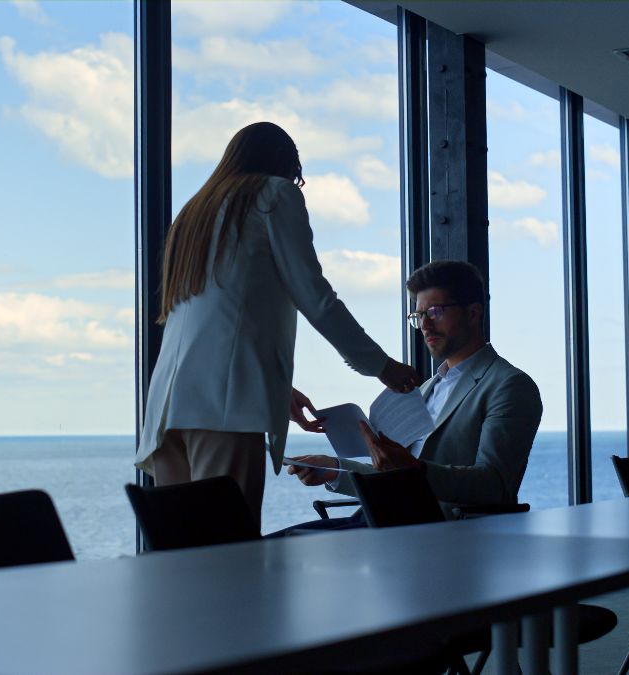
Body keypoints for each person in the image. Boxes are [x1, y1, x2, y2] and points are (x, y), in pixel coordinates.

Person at [135, 121, 419, 528]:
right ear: (287, 166)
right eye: (296, 176)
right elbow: (315, 298)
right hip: (224, 411)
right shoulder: (273, 194)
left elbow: (216, 315)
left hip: (167, 409)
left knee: (184, 554)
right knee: (230, 553)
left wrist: (274, 388)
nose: (293, 183)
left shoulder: (193, 214)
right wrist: (381, 366)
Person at [285, 259, 542, 529]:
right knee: (278, 547)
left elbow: (493, 486)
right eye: (418, 316)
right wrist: (334, 469)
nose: (425, 325)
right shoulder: (428, 387)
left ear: (473, 313)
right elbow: (395, 474)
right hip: (386, 521)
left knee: (281, 550)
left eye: (435, 311)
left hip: (436, 531)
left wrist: (412, 470)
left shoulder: (509, 385)